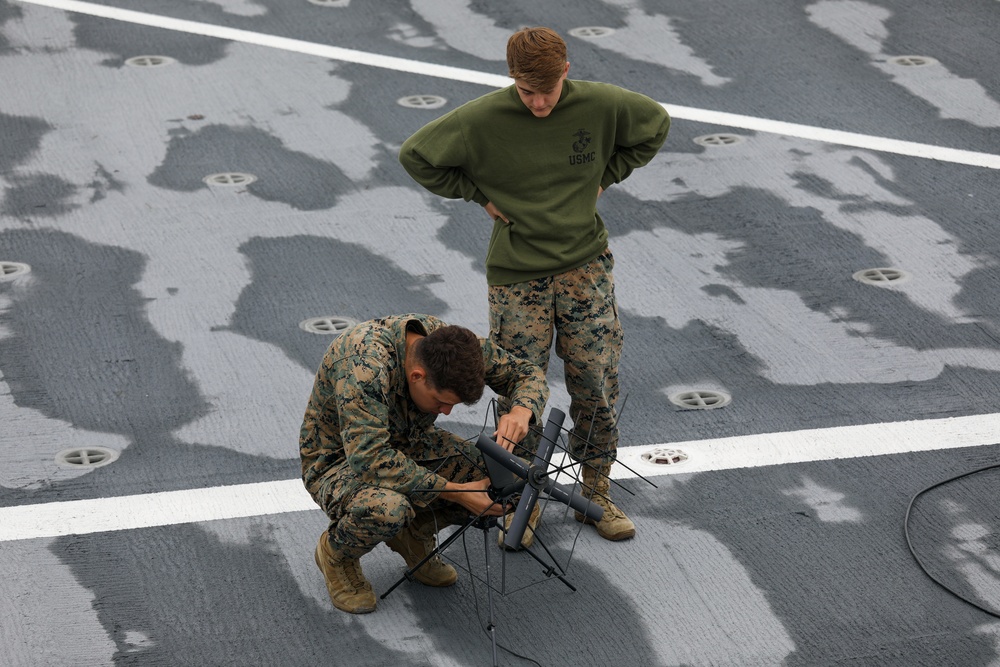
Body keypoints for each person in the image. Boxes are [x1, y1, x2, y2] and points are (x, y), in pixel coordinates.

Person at [398, 27, 670, 542]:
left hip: (585, 267)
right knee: (519, 388)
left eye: (548, 91)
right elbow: (417, 155)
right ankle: (523, 496)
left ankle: (596, 491)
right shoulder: (481, 118)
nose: (539, 103)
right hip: (517, 277)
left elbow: (655, 125)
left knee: (595, 380)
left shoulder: (601, 105)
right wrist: (476, 194)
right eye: (526, 93)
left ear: (566, 72)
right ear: (511, 80)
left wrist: (607, 174)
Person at [300, 314, 548, 614]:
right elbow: (370, 458)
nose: (445, 412)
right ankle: (336, 554)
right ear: (417, 376)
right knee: (389, 509)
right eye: (441, 401)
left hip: (411, 441)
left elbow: (526, 372)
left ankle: (414, 536)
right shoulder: (364, 365)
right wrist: (456, 490)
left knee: (509, 480)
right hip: (341, 461)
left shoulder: (449, 347)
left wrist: (522, 410)